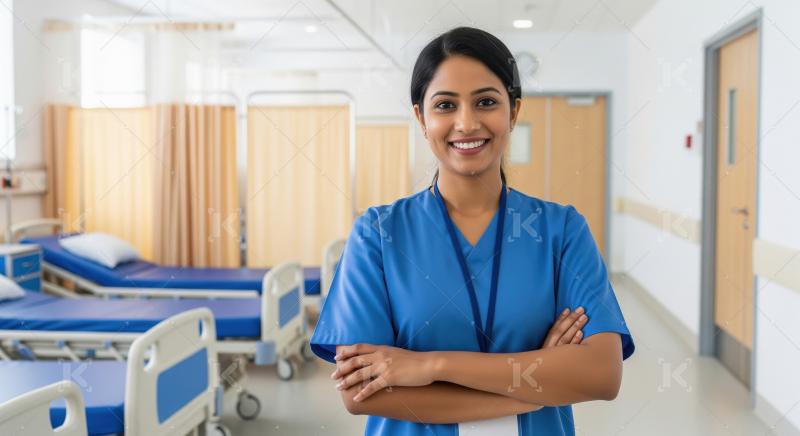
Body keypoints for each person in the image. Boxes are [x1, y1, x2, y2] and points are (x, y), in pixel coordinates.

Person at [310, 26, 635, 436]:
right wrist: (539, 381)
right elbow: (362, 394)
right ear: (421, 118)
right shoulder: (377, 235)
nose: (466, 123)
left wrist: (428, 366)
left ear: (513, 112)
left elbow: (601, 376)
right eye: (445, 105)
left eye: (486, 101)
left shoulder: (561, 230)